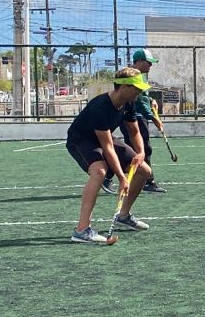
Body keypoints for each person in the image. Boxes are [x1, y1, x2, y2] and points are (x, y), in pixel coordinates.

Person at [64, 68, 152, 244]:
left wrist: (141, 153)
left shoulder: (129, 102)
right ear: (124, 87)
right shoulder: (101, 107)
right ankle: (82, 230)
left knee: (144, 171)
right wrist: (122, 178)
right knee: (99, 172)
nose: (140, 91)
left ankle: (124, 215)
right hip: (81, 140)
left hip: (105, 138)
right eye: (137, 88)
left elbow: (134, 131)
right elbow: (107, 147)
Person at [103, 49, 168, 195]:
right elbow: (139, 101)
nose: (150, 66)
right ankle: (145, 181)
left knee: (136, 150)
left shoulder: (141, 76)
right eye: (148, 63)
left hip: (137, 115)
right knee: (141, 149)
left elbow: (142, 97)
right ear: (139, 61)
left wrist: (151, 100)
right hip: (134, 116)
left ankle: (142, 180)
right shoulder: (132, 76)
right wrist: (154, 117)